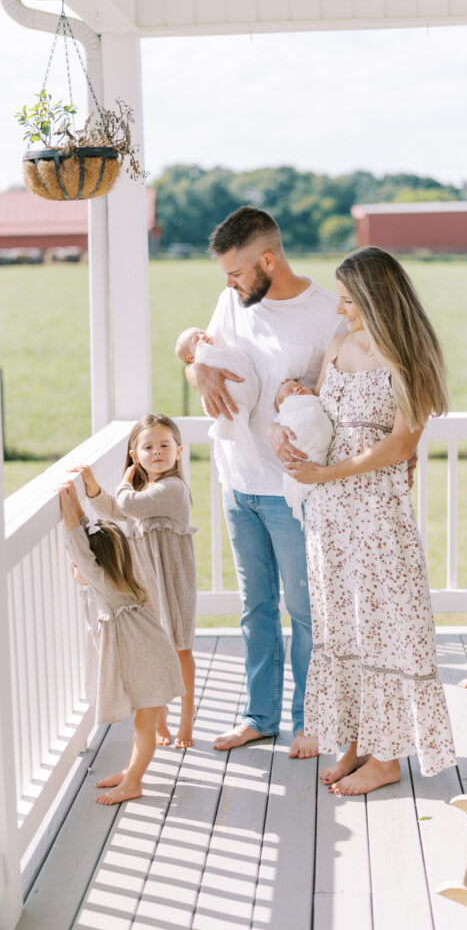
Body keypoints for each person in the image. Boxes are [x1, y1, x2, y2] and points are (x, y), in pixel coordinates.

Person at [285, 246, 457, 795]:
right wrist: (288, 428)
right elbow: (323, 415)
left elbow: (399, 443)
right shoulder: (339, 346)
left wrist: (327, 473)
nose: (342, 310)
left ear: (380, 300)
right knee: (341, 624)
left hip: (377, 515)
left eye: (351, 300)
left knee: (383, 626)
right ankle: (355, 743)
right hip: (330, 516)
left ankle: (386, 759)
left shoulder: (409, 357)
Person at [178, 206, 345, 758]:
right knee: (256, 609)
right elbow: (204, 358)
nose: (228, 284)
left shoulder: (327, 314)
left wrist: (302, 395)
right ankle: (259, 716)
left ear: (268, 260)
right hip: (238, 481)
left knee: (304, 610)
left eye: (236, 272)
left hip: (293, 493)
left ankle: (311, 720)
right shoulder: (232, 302)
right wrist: (195, 368)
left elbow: (346, 399)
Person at [71, 414, 197, 749]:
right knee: (154, 650)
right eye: (148, 447)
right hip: (146, 582)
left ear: (179, 451)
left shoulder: (172, 489)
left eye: (165, 445)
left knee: (180, 649)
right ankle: (160, 716)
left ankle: (187, 721)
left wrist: (126, 477)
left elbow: (127, 502)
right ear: (136, 452)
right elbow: (116, 510)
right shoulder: (146, 491)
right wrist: (91, 485)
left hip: (173, 583)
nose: (157, 452)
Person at [58, 481, 184, 805]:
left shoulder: (104, 586)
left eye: (78, 566)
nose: (75, 569)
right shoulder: (119, 576)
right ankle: (131, 769)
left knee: (144, 727)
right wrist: (75, 506)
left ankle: (134, 782)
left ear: (94, 566)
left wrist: (66, 504)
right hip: (152, 659)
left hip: (151, 664)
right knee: (143, 722)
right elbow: (87, 540)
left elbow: (78, 546)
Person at [175, 327, 261, 487]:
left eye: (201, 331)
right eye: (196, 339)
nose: (203, 335)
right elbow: (194, 366)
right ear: (190, 356)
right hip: (238, 479)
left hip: (276, 480)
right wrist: (198, 368)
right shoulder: (228, 305)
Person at [274, 378, 333, 525]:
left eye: (298, 386)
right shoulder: (289, 411)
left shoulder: (316, 403)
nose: (297, 389)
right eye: (290, 392)